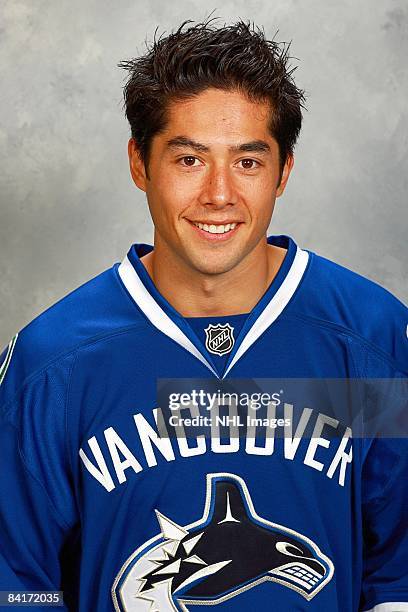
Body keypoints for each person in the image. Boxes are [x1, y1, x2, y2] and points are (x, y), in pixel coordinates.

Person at [0, 17, 407, 612]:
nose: (219, 194)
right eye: (189, 160)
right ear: (140, 164)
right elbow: (17, 584)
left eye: (247, 162)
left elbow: (400, 571)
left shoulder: (370, 341)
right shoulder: (54, 362)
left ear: (283, 172)